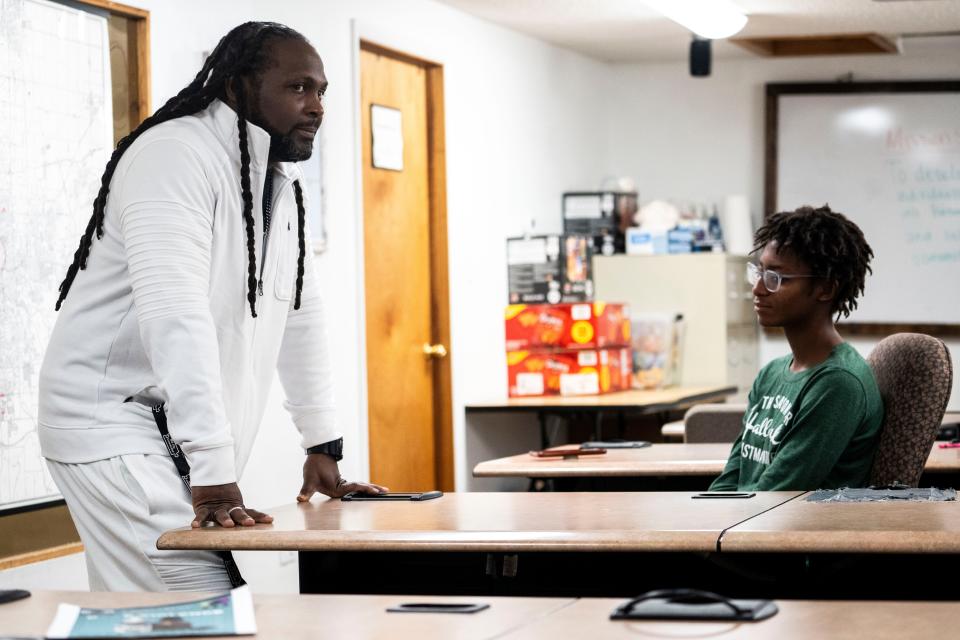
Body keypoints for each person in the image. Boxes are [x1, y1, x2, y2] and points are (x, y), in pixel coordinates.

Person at [38, 22, 386, 592]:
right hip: (109, 420)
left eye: (321, 91)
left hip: (164, 429)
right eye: (299, 88)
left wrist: (321, 443)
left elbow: (299, 313)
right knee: (195, 595)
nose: (317, 106)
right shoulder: (174, 155)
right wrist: (215, 473)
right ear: (240, 83)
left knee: (153, 612)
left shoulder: (276, 182)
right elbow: (174, 315)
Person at [709, 205, 884, 492]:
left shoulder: (837, 383)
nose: (758, 289)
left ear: (825, 289)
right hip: (743, 525)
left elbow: (776, 493)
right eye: (759, 273)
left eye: (776, 278)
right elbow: (733, 475)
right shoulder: (771, 374)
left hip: (790, 532)